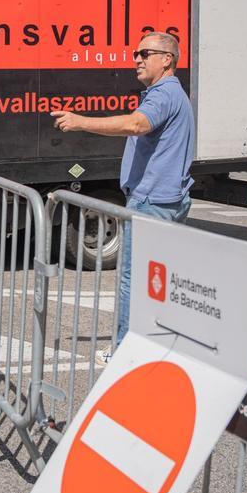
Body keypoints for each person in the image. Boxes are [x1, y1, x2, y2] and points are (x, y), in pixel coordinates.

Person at [51, 31, 194, 358]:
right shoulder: (172, 93)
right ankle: (154, 345)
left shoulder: (162, 94)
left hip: (152, 202)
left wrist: (79, 122)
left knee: (134, 281)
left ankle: (124, 351)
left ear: (167, 59)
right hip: (164, 200)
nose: (137, 60)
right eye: (136, 54)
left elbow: (136, 125)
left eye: (145, 54)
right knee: (156, 281)